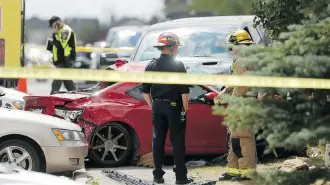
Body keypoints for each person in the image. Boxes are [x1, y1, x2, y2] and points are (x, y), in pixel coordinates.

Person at [141, 32, 192, 185]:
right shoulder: (178, 65)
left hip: (157, 107)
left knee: (157, 141)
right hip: (174, 107)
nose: (178, 50)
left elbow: (144, 91)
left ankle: (157, 176)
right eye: (176, 47)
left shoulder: (150, 65)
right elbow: (184, 91)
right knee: (177, 142)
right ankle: (181, 178)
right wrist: (184, 110)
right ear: (169, 48)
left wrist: (153, 106)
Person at [218, 30, 257, 181]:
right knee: (235, 138)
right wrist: (223, 92)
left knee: (243, 138)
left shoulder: (243, 61)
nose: (232, 50)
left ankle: (247, 172)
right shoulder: (243, 60)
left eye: (233, 46)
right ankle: (233, 170)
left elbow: (241, 87)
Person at [47, 16, 76, 94]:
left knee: (56, 82)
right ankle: (76, 96)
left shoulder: (66, 30)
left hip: (66, 60)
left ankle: (52, 97)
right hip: (60, 61)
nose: (52, 28)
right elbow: (55, 46)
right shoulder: (59, 31)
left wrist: (54, 35)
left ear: (57, 23)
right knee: (68, 83)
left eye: (53, 25)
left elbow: (61, 46)